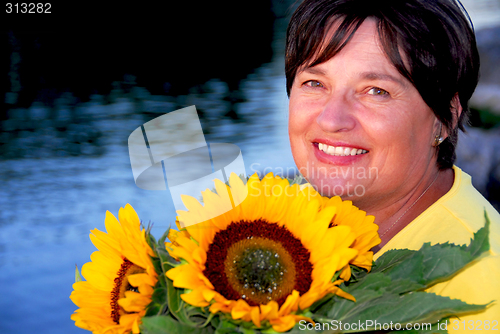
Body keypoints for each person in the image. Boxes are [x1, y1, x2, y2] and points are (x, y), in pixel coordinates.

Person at [286, 0, 500, 331]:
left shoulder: (483, 290)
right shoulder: (275, 217)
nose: (331, 120)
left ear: (444, 119)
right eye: (315, 83)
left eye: (376, 91)